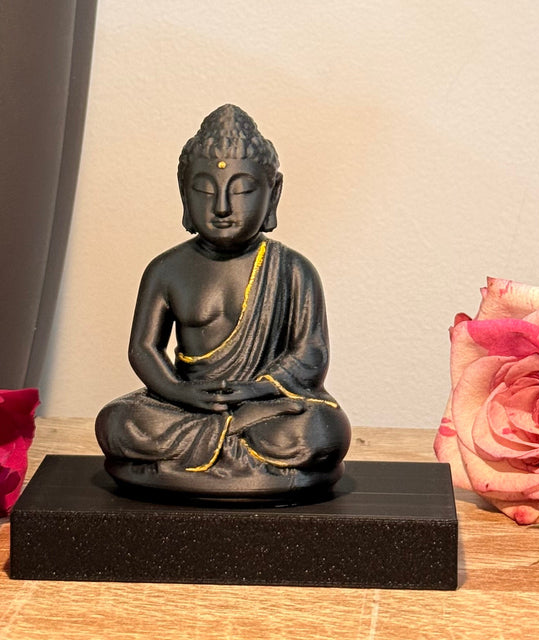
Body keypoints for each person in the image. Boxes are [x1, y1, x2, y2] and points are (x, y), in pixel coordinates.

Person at [96, 105, 350, 498]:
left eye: (243, 189)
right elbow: (144, 349)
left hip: (263, 405)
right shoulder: (166, 269)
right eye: (204, 189)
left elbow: (310, 353)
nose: (222, 207)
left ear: (273, 193)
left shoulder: (293, 270)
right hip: (188, 404)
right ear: (184, 193)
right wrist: (179, 392)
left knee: (321, 429)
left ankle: (212, 447)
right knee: (118, 420)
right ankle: (234, 443)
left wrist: (255, 389)